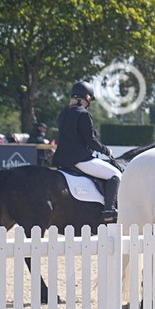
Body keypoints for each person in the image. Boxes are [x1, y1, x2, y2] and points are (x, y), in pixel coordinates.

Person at [52, 81, 120, 222]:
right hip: (79, 159)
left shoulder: (64, 113)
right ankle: (109, 210)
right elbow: (91, 140)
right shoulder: (83, 114)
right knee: (115, 174)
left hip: (61, 159)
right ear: (87, 97)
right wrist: (106, 150)